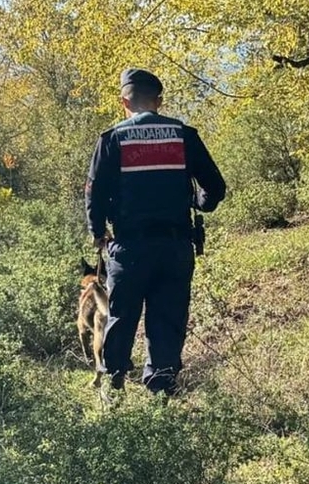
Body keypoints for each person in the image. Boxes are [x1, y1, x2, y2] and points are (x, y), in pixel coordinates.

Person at [85, 68, 226, 401]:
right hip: (175, 246)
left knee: (121, 317)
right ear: (159, 101)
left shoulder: (112, 139)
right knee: (167, 318)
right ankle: (161, 391)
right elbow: (215, 188)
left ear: (124, 102)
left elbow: (94, 192)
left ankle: (114, 387)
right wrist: (196, 202)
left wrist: (98, 231)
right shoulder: (183, 135)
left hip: (129, 247)